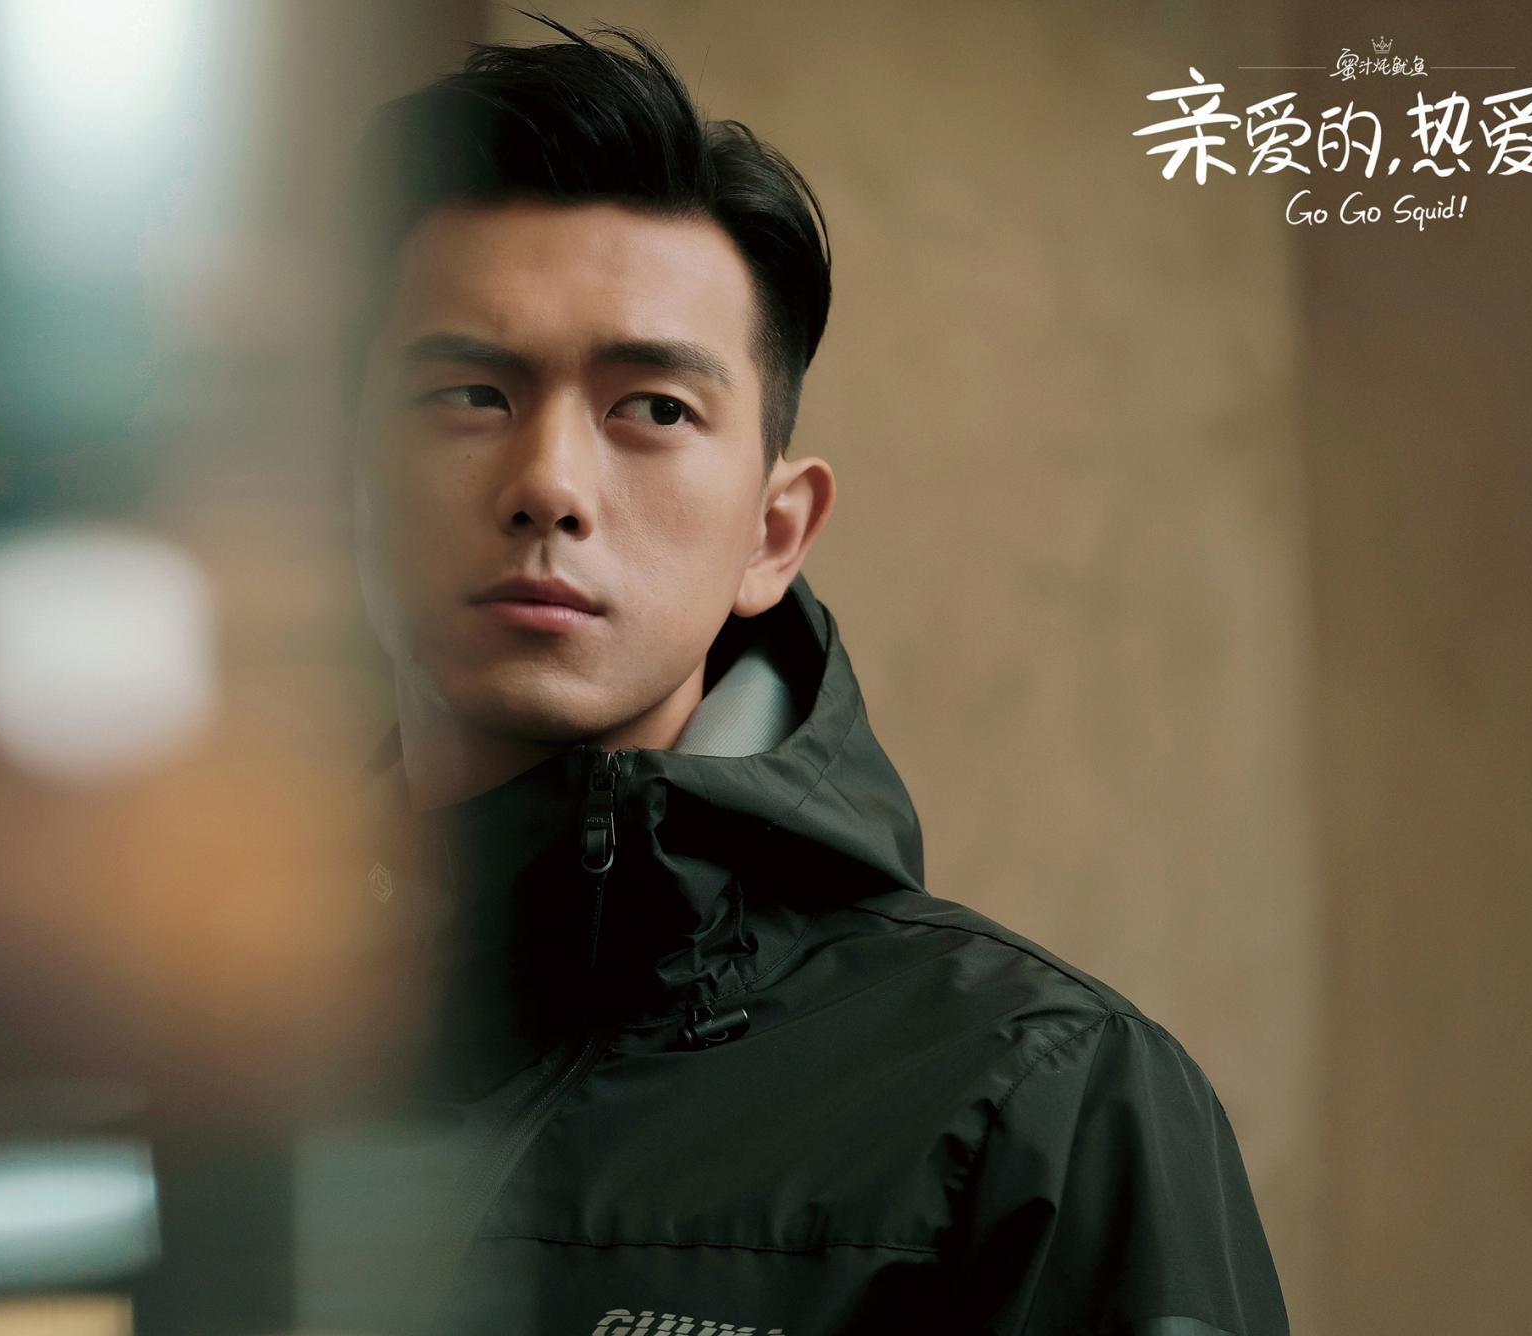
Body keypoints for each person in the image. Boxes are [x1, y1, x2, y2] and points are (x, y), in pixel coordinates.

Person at [308, 13, 1290, 1335]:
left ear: (775, 534)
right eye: (471, 395)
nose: (548, 484)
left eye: (654, 408)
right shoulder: (171, 1052)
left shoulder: (1038, 1101)